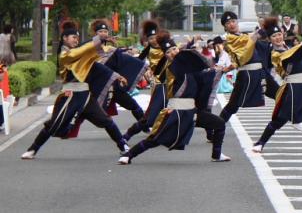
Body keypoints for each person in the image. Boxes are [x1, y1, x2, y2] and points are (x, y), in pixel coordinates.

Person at [21, 20, 129, 160]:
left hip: (85, 95)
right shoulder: (65, 55)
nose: (76, 40)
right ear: (64, 38)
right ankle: (32, 149)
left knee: (106, 121)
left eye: (77, 38)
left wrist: (117, 74)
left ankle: (123, 146)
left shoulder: (79, 54)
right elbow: (81, 51)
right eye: (73, 37)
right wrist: (98, 39)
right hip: (70, 95)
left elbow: (95, 62)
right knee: (54, 124)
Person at [119, 40, 231, 164]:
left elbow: (204, 78)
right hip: (176, 112)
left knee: (219, 124)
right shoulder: (172, 69)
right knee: (155, 139)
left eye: (174, 49)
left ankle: (216, 154)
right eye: (168, 52)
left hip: (191, 112)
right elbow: (186, 70)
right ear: (165, 56)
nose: (172, 52)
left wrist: (219, 70)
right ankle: (128, 155)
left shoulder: (187, 66)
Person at [218, 11, 269, 123]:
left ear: (237, 21)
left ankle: (295, 116)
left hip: (260, 71)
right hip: (247, 74)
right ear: (225, 27)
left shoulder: (244, 35)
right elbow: (243, 55)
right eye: (228, 23)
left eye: (233, 21)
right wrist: (258, 33)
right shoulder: (229, 39)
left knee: (278, 93)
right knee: (233, 105)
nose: (231, 24)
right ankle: (216, 128)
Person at [123, 21, 169, 142]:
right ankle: (129, 134)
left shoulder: (166, 46)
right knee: (152, 115)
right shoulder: (148, 49)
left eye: (155, 37)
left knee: (172, 110)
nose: (153, 40)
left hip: (171, 83)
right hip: (158, 84)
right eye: (150, 38)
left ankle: (162, 132)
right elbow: (138, 62)